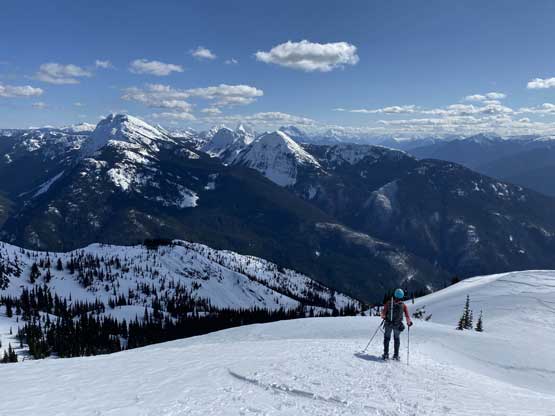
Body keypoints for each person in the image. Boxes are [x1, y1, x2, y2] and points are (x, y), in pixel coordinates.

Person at [381, 288, 413, 360]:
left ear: (395, 295)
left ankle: (386, 354)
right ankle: (396, 355)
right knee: (396, 339)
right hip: (397, 325)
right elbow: (407, 316)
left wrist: (385, 317)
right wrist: (409, 323)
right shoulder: (403, 305)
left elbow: (383, 315)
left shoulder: (388, 303)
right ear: (402, 296)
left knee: (387, 338)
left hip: (388, 324)